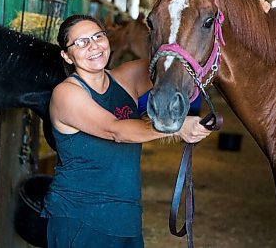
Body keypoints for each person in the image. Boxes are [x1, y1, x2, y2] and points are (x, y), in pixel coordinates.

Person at [41, 14, 212, 248]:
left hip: (126, 215)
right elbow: (116, 131)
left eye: (97, 36)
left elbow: (178, 60)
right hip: (81, 216)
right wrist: (177, 127)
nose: (93, 46)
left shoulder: (125, 78)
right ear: (67, 55)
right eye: (80, 43)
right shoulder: (67, 94)